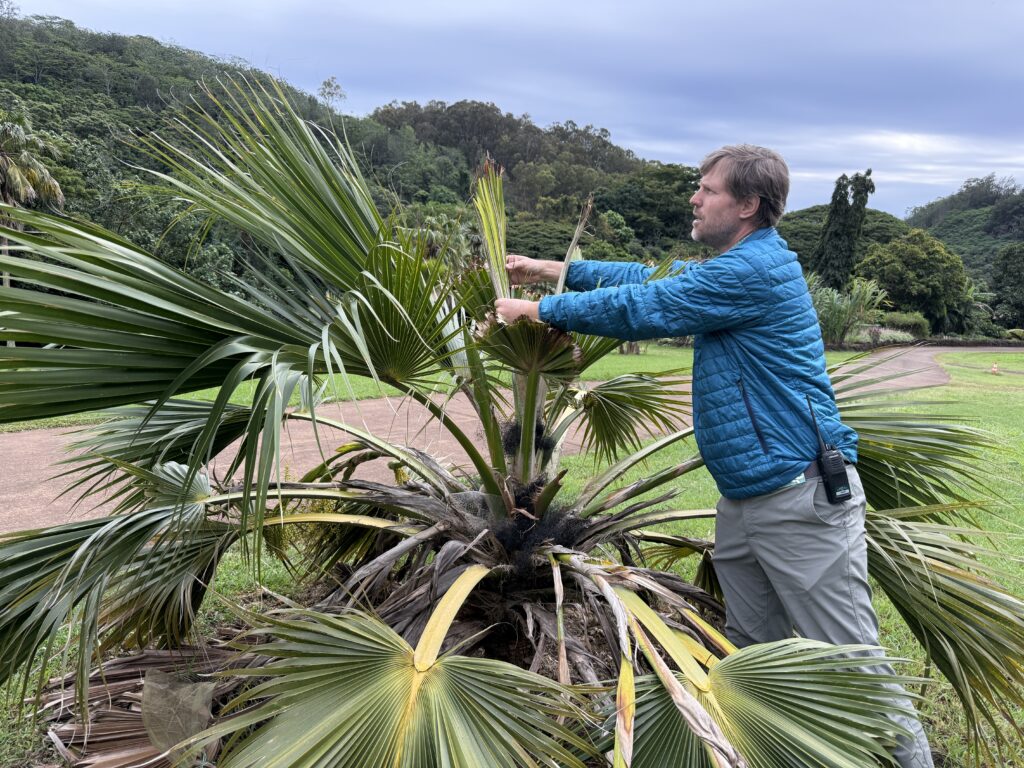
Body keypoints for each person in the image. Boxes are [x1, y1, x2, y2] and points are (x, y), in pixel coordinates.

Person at [495, 144, 933, 768]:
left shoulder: (754, 270)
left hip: (799, 497)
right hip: (747, 500)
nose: (694, 198)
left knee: (847, 659)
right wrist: (551, 270)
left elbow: (651, 306)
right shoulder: (729, 265)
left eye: (708, 189)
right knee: (756, 656)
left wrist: (540, 309)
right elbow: (649, 279)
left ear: (749, 205)